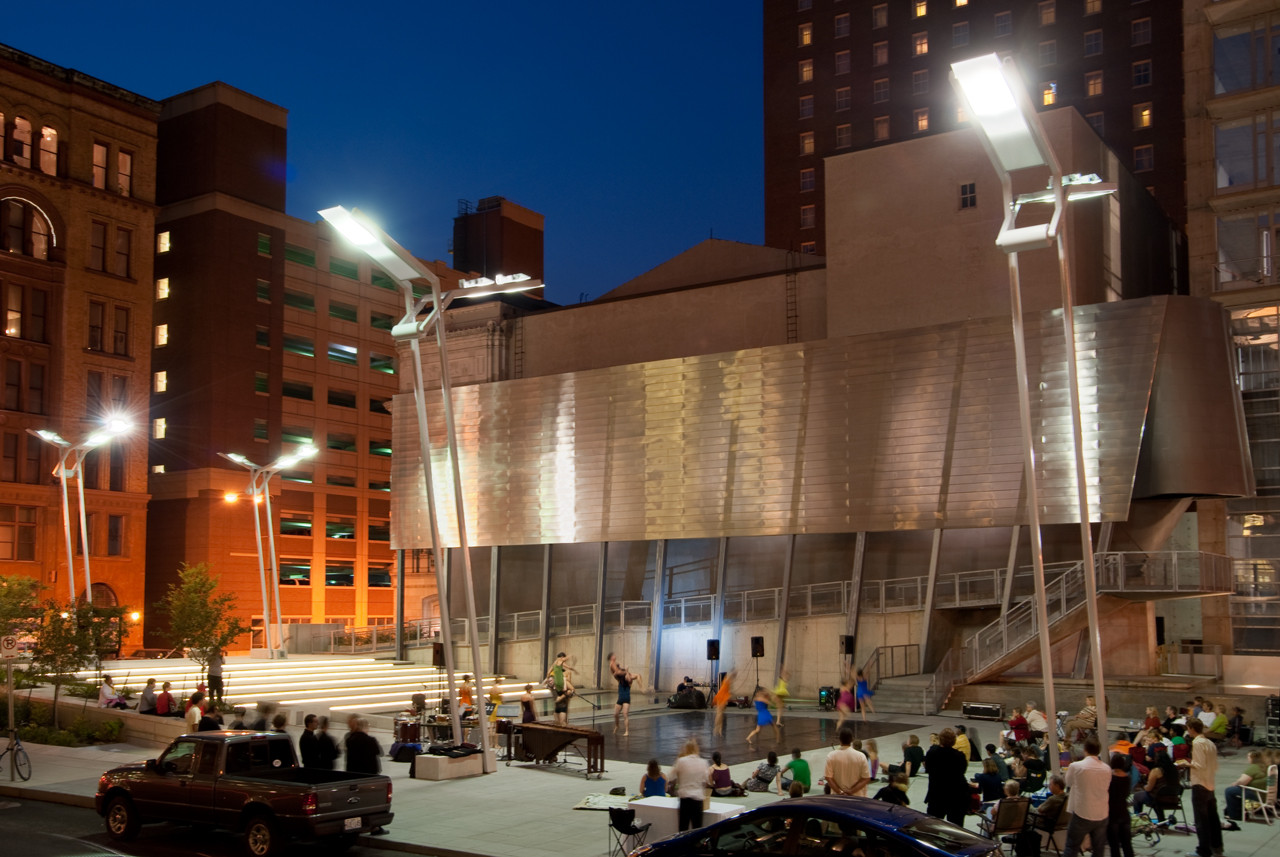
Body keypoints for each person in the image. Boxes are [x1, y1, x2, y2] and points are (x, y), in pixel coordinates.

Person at [1061, 735, 1111, 857]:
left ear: (1085, 749)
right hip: (1102, 813)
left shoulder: (1076, 766)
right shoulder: (1107, 768)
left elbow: (1068, 782)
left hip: (1082, 812)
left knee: (1072, 847)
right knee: (1098, 849)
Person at [1180, 716, 1223, 857]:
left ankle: (1203, 850)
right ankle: (1217, 846)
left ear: (1191, 729)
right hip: (1210, 783)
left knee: (1201, 820)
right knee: (1213, 818)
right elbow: (1214, 766)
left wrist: (1186, 764)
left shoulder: (1197, 743)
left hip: (1200, 784)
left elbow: (1199, 765)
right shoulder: (1210, 743)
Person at [924, 727, 970, 826]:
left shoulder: (932, 753)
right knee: (956, 827)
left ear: (940, 739)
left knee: (933, 826)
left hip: (937, 794)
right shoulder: (959, 756)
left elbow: (928, 769)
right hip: (956, 795)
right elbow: (962, 771)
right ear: (954, 741)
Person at [668, 740, 710, 832]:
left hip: (685, 799)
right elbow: (707, 781)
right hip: (698, 799)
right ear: (697, 749)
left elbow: (671, 776)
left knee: (683, 829)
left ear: (685, 749)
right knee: (697, 829)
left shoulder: (681, 761)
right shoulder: (703, 762)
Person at [1133, 742, 1179, 822]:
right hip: (1173, 798)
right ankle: (1162, 820)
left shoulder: (1156, 771)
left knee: (1137, 796)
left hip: (1158, 798)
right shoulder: (1174, 770)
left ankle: (1139, 820)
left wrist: (1143, 786)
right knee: (1157, 795)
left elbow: (1149, 788)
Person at [1222, 749, 1267, 828]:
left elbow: (1241, 782)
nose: (1248, 758)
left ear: (1253, 758)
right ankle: (1235, 811)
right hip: (1265, 796)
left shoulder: (1253, 768)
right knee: (1235, 791)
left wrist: (1234, 784)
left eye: (1248, 757)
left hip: (1256, 797)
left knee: (1229, 791)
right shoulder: (1265, 766)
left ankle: (1235, 815)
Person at [824, 727, 871, 797]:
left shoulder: (831, 756)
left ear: (839, 739)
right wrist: (851, 791)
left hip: (838, 798)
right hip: (858, 798)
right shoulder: (861, 756)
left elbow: (828, 777)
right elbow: (866, 778)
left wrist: (840, 792)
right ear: (852, 739)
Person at [1108, 752, 1135, 857]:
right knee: (1127, 844)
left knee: (1114, 846)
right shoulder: (1127, 778)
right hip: (1124, 813)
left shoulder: (1110, 778)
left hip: (1112, 814)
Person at [608, 652, 639, 736]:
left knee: (625, 714)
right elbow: (616, 674)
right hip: (620, 698)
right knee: (615, 714)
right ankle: (617, 726)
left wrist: (627, 671)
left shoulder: (629, 681)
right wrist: (619, 670)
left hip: (626, 699)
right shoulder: (619, 680)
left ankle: (627, 731)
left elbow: (629, 679)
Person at [713, 669, 735, 737]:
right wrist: (733, 673)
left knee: (721, 715)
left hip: (724, 697)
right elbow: (730, 677)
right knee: (719, 714)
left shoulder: (728, 681)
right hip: (721, 697)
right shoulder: (726, 680)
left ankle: (719, 730)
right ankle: (716, 729)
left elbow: (728, 688)